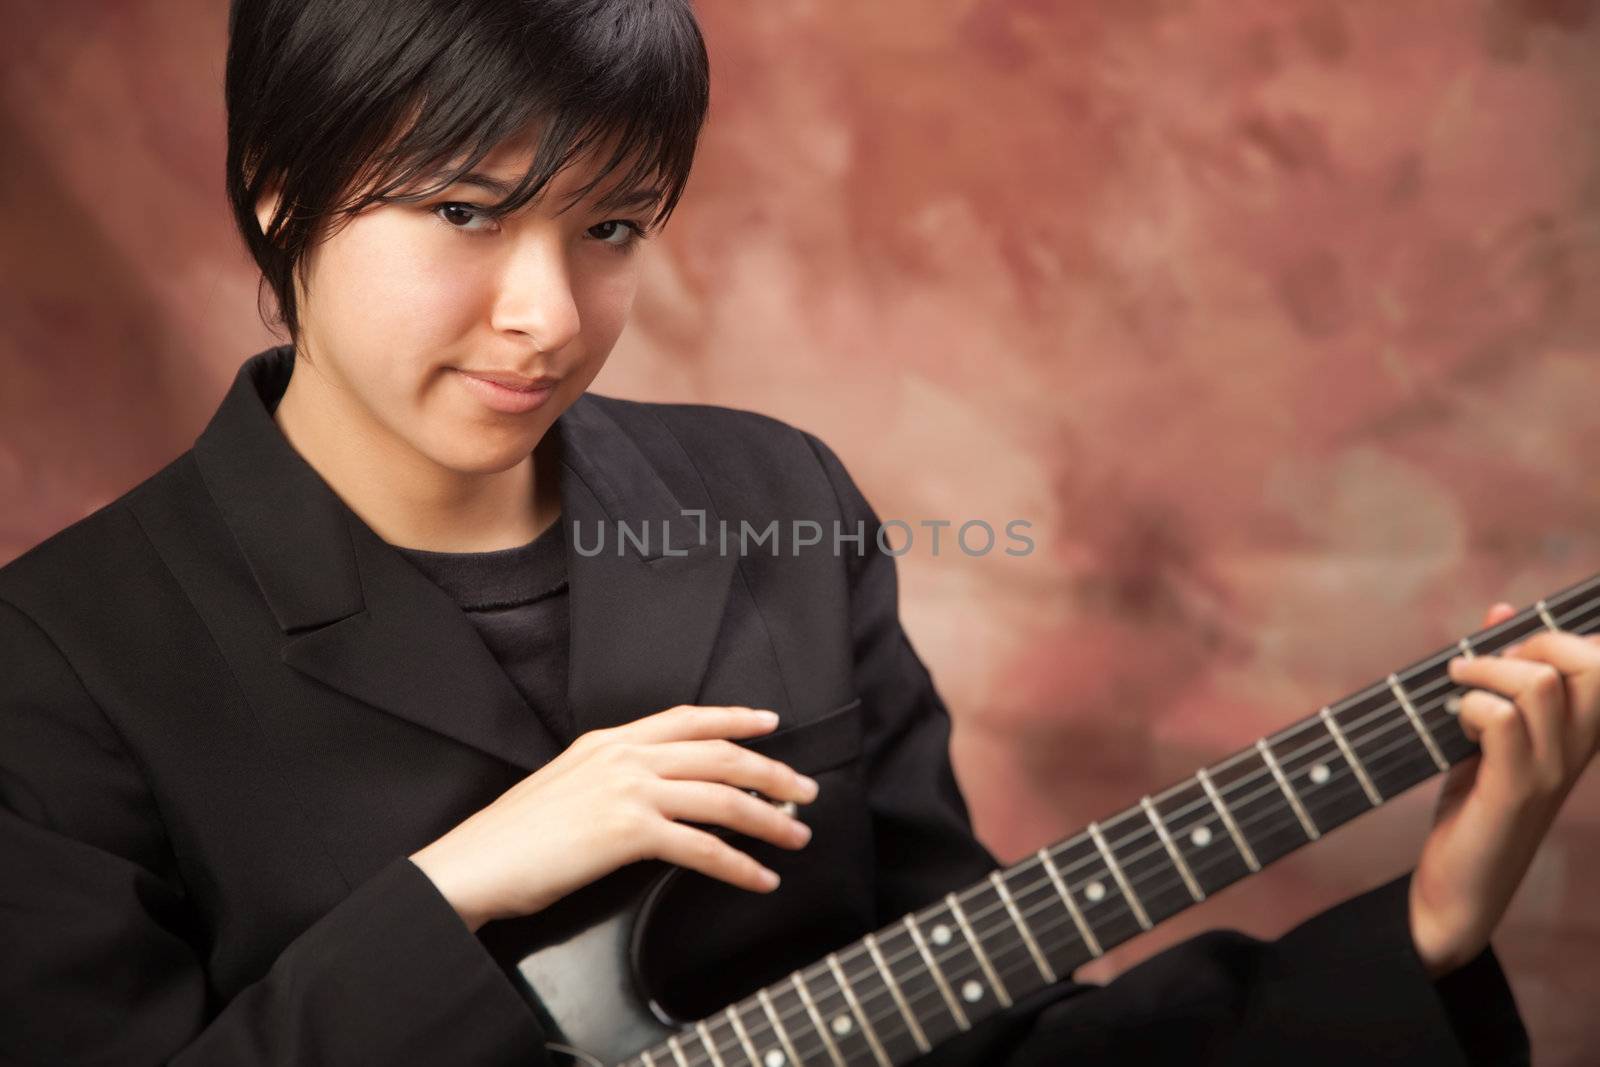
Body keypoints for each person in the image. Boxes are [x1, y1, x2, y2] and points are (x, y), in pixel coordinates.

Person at [0, 1, 1591, 1063]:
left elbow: (979, 1026)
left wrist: (1430, 930)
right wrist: (457, 892)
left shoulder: (774, 504)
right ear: (280, 187)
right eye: (466, 215)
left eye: (612, 228)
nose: (547, 316)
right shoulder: (57, 662)